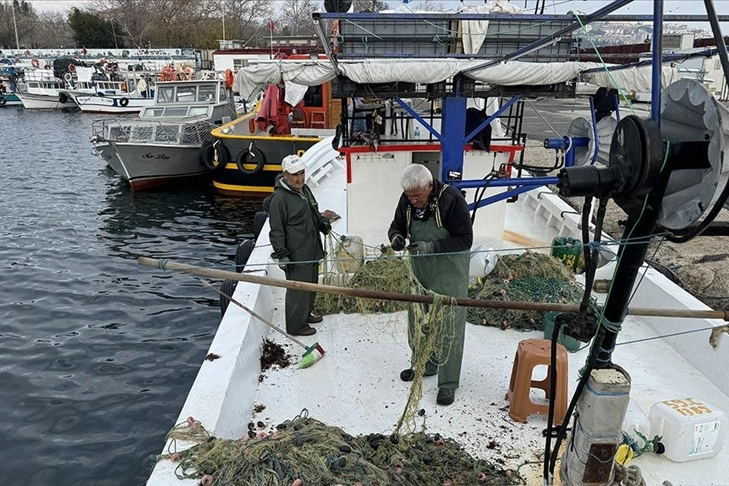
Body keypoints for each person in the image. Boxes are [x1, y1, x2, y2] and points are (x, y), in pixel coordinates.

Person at [388, 164, 473, 406]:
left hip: (449, 272)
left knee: (448, 326)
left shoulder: (452, 200)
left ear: (429, 186)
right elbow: (397, 226)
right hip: (420, 272)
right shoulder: (407, 200)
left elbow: (465, 239)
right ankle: (424, 364)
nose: (413, 201)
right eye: (409, 196)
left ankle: (447, 384)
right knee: (419, 321)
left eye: (418, 196)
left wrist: (432, 247)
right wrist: (395, 237)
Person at [269, 155, 333, 337]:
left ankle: (306, 314)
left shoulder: (305, 190)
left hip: (312, 248)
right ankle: (295, 326)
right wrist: (282, 254)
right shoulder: (279, 199)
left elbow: (314, 211)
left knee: (311, 284)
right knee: (298, 290)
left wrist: (323, 223)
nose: (300, 178)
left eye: (302, 173)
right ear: (285, 175)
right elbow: (276, 230)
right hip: (296, 254)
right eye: (295, 175)